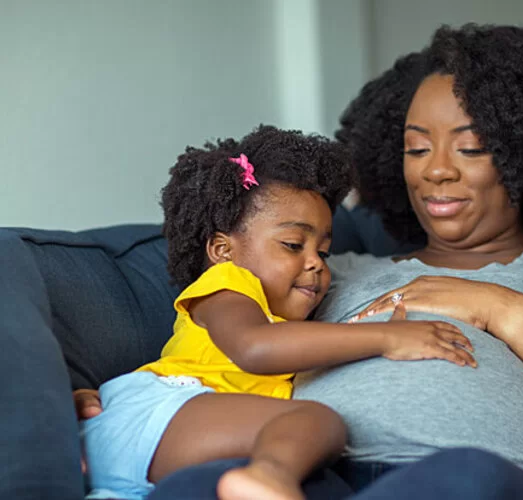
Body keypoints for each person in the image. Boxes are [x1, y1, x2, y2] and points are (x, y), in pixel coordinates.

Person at [77, 24, 523, 499]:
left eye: (473, 147)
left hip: (471, 477)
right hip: (307, 471)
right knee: (209, 484)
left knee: (466, 476)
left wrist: (498, 307)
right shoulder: (324, 268)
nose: (436, 169)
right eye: (415, 148)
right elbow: (225, 349)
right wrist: (117, 400)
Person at [78, 125, 478, 500]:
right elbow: (255, 348)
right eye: (292, 244)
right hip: (157, 413)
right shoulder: (229, 286)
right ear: (223, 251)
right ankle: (270, 475)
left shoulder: (284, 317)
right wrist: (387, 337)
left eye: (322, 251)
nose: (316, 264)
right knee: (315, 422)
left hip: (142, 464)